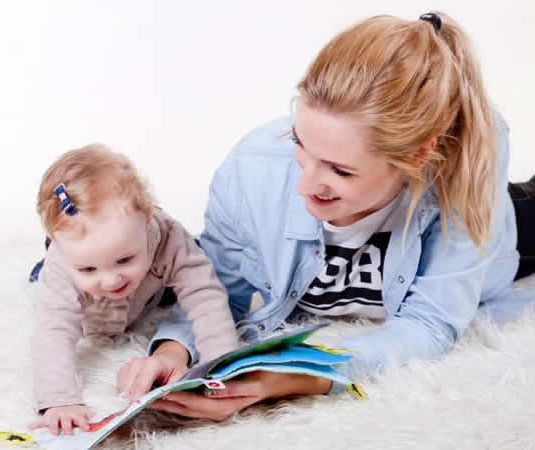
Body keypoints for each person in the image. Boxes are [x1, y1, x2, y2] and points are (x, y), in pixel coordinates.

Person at [116, 12, 535, 421]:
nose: (304, 185)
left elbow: (431, 325)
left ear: (419, 155)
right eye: (300, 144)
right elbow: (216, 287)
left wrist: (299, 378)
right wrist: (173, 349)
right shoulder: (251, 171)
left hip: (512, 226)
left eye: (340, 170)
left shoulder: (464, 174)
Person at [28, 144, 239, 434]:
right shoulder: (62, 264)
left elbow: (205, 295)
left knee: (200, 263)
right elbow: (54, 331)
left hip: (147, 290)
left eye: (124, 259)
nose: (111, 279)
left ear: (147, 218)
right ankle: (47, 269)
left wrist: (224, 365)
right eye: (89, 269)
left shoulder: (167, 236)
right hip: (90, 306)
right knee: (45, 287)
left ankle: (153, 272)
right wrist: (59, 400)